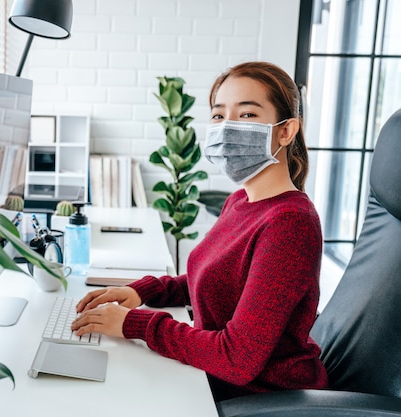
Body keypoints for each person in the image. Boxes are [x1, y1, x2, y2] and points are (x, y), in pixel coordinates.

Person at [71, 61, 328, 401]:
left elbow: (238, 358)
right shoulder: (240, 201)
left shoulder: (290, 224)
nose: (227, 127)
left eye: (247, 115)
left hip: (259, 398)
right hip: (213, 379)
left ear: (286, 131)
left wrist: (134, 324)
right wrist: (142, 292)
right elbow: (215, 282)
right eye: (219, 116)